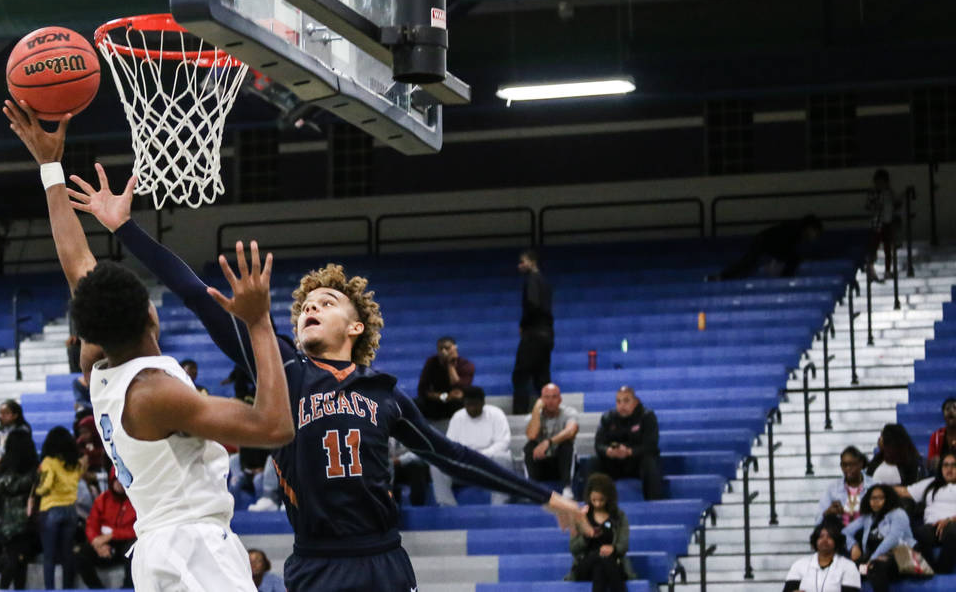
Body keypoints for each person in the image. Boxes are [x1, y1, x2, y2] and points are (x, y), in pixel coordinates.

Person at [61, 159, 587, 590]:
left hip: (383, 558)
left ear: (355, 325)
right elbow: (198, 295)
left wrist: (547, 496)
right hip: (316, 562)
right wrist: (124, 228)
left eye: (326, 302)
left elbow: (451, 456)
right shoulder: (284, 369)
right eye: (305, 304)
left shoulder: (385, 396)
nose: (310, 307)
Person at [7, 98, 296, 591]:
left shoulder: (97, 366)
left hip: (162, 548)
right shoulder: (155, 393)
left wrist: (51, 168)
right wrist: (260, 323)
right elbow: (274, 427)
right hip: (195, 554)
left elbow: (76, 262)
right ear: (148, 315)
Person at [895, 453, 956, 573]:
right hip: (933, 527)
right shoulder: (931, 484)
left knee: (952, 532)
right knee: (919, 533)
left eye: (954, 465)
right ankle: (930, 571)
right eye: (945, 465)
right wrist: (876, 485)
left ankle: (942, 573)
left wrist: (949, 520)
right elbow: (905, 492)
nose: (949, 469)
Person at [0, 429, 39, 590]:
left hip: (5, 529)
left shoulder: (3, 479)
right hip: (28, 526)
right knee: (20, 564)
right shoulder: (35, 475)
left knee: (12, 562)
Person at [431, 386, 514, 506]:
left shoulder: (496, 414)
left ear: (483, 403)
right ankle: (447, 506)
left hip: (489, 463)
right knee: (436, 465)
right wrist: (464, 458)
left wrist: (480, 456)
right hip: (463, 463)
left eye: (475, 405)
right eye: (468, 405)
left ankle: (500, 505)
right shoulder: (458, 417)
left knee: (503, 458)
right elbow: (450, 446)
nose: (472, 408)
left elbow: (503, 443)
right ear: (464, 403)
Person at [33, 426, 83, 590]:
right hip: (70, 511)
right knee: (67, 554)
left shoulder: (48, 462)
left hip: (51, 510)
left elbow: (44, 487)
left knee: (50, 556)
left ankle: (50, 589)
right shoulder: (75, 464)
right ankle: (68, 588)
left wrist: (36, 486)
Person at [592, 386, 662, 501]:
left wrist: (630, 452)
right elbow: (599, 444)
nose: (622, 405)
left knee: (649, 461)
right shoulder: (608, 417)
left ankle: (655, 503)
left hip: (637, 462)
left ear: (635, 402)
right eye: (618, 401)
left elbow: (651, 445)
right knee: (593, 462)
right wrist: (608, 451)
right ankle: (590, 505)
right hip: (615, 462)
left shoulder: (647, 416)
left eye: (626, 401)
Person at [566, 473, 633, 592]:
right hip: (585, 564)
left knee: (600, 569)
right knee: (600, 557)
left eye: (601, 500)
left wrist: (613, 549)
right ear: (589, 497)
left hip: (612, 562)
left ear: (608, 497)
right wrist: (586, 537)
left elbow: (623, 545)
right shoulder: (581, 516)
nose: (597, 504)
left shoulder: (618, 517)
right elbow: (573, 548)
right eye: (594, 500)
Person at [843, 484, 915, 592]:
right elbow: (845, 532)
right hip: (873, 564)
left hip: (903, 559)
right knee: (851, 571)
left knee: (876, 567)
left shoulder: (899, 514)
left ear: (888, 499)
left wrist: (873, 558)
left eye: (880, 498)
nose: (876, 501)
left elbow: (893, 538)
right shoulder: (867, 517)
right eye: (873, 498)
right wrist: (853, 546)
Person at [713, 214, 823, 281]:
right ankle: (723, 276)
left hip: (769, 242)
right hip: (765, 241)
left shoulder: (797, 231)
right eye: (815, 232)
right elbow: (785, 246)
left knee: (748, 263)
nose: (815, 236)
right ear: (810, 228)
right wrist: (775, 260)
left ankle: (723, 276)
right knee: (747, 263)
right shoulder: (796, 230)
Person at [76, 468, 136, 589]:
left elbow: (135, 530)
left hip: (123, 544)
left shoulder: (134, 501)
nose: (119, 483)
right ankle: (97, 589)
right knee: (81, 555)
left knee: (133, 552)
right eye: (116, 480)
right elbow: (91, 524)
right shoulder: (102, 500)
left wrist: (112, 535)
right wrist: (96, 543)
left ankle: (126, 589)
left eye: (121, 480)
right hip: (102, 544)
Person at [512, 248, 554, 414]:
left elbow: (532, 304)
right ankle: (550, 411)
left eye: (522, 261)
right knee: (542, 376)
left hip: (533, 334)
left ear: (532, 262)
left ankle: (520, 412)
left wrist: (524, 324)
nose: (519, 265)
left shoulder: (532, 280)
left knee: (521, 375)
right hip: (547, 334)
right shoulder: (545, 282)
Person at [525, 382, 579, 498]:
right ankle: (531, 488)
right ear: (541, 399)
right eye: (546, 397)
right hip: (541, 462)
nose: (550, 401)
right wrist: (536, 409)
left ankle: (567, 488)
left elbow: (571, 431)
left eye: (554, 397)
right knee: (529, 446)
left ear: (560, 399)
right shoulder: (533, 416)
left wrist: (548, 442)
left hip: (560, 464)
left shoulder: (569, 412)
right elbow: (532, 435)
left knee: (567, 444)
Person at [783, 522, 861, 592]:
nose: (825, 540)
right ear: (815, 540)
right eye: (821, 537)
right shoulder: (800, 565)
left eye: (830, 537)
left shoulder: (848, 566)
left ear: (836, 541)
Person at [416, 336, 475, 420]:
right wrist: (444, 396)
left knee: (461, 403)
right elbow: (422, 389)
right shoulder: (431, 362)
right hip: (437, 400)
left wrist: (450, 365)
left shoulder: (467, 365)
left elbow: (460, 388)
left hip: (455, 403)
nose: (443, 352)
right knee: (416, 404)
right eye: (440, 349)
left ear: (455, 348)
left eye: (447, 348)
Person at [817, 446, 873, 527]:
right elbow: (818, 520)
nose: (848, 468)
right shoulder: (833, 488)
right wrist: (829, 512)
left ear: (860, 464)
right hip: (840, 534)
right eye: (844, 465)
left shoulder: (873, 485)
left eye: (852, 465)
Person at [865, 169, 900, 282]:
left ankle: (887, 271)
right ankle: (870, 270)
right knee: (873, 248)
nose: (880, 184)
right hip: (876, 224)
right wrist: (877, 206)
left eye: (883, 182)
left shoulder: (890, 192)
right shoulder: (873, 193)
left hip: (887, 223)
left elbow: (895, 206)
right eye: (878, 182)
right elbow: (868, 206)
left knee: (888, 249)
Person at [389, 438, 430, 508]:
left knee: (417, 468)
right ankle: (390, 504)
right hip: (392, 466)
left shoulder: (415, 431)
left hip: (413, 464)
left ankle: (418, 507)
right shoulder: (382, 431)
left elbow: (421, 453)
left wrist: (399, 460)